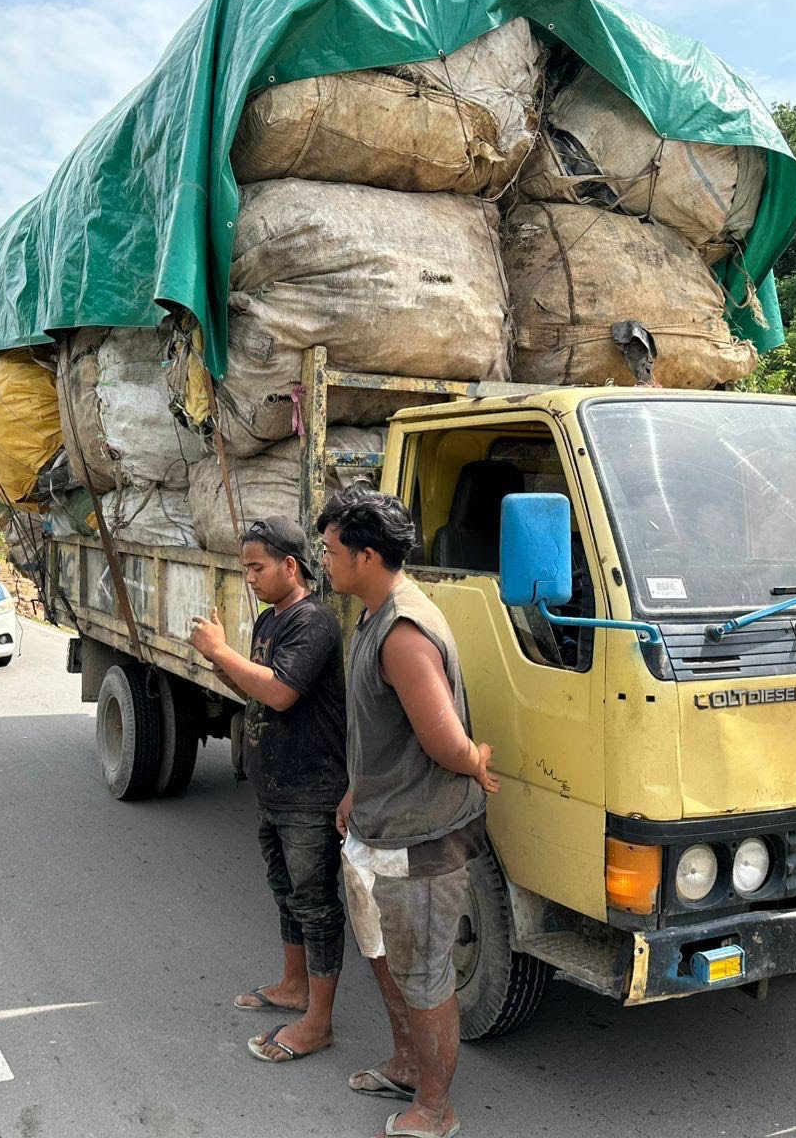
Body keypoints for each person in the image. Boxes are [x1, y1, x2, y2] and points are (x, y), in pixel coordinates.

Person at [315, 485, 498, 1138]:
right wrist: (357, 791)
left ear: (366, 556)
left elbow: (443, 738)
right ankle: (406, 1066)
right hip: (379, 825)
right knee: (384, 953)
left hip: (420, 839)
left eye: (331, 550)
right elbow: (383, 727)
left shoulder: (403, 633)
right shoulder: (373, 613)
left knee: (422, 975)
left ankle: (436, 1109)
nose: (323, 560)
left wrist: (474, 759)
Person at [188, 516, 348, 1065]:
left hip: (310, 788)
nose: (250, 577)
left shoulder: (313, 622)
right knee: (285, 891)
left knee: (315, 902)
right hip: (274, 786)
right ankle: (293, 986)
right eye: (246, 568)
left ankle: (319, 1022)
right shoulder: (268, 620)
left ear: (290, 566)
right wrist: (218, 660)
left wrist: (221, 651)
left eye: (257, 567)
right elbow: (254, 689)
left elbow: (280, 693)